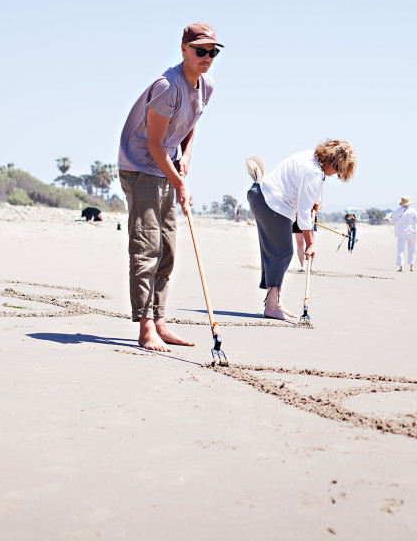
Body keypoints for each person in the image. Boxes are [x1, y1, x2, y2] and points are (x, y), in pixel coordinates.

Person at [117, 22, 222, 352]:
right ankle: (145, 328)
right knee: (147, 247)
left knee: (169, 250)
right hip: (140, 167)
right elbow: (153, 143)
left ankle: (159, 321)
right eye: (200, 50)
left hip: (165, 168)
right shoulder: (167, 86)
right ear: (184, 50)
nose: (207, 56)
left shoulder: (206, 86)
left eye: (212, 51)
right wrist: (180, 183)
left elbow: (191, 125)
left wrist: (186, 156)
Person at [247, 140, 356, 321]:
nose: (336, 174)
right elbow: (304, 214)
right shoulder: (313, 171)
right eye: (337, 168)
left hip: (261, 196)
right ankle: (272, 307)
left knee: (274, 252)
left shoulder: (310, 159)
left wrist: (313, 202)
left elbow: (301, 194)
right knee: (282, 252)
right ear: (331, 160)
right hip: (271, 203)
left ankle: (274, 303)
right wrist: (310, 243)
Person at [385, 196, 417, 272]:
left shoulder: (397, 211)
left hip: (401, 232)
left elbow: (392, 221)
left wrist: (388, 219)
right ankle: (411, 267)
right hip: (412, 232)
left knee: (400, 250)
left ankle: (401, 267)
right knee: (412, 249)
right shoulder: (413, 210)